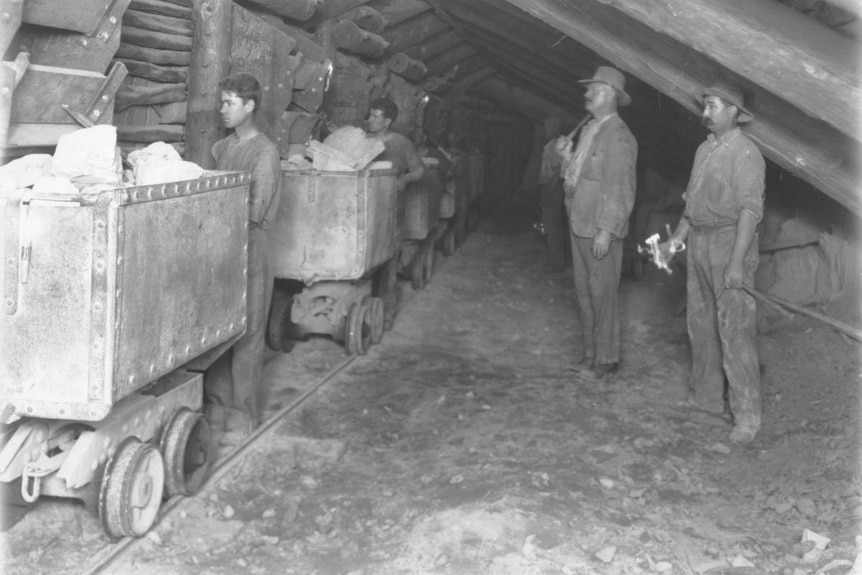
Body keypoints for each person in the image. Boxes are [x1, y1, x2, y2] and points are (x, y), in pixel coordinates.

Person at [660, 82, 765, 444]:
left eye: (713, 106)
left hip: (729, 242)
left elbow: (750, 212)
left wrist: (736, 263)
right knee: (701, 324)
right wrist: (675, 243)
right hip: (701, 242)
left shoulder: (746, 153)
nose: (705, 113)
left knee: (735, 331)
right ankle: (706, 400)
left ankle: (747, 417)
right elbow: (692, 206)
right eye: (704, 106)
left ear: (733, 111)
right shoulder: (703, 150)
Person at [205, 73, 282, 440]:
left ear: (250, 106)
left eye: (230, 103)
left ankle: (243, 415)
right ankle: (217, 408)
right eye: (222, 102)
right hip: (224, 246)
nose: (222, 109)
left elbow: (255, 209)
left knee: (249, 332)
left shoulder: (264, 152)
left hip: (251, 245)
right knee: (220, 330)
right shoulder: (223, 149)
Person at [555, 66, 637, 378]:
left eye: (594, 90)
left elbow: (620, 186)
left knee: (602, 297)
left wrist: (606, 230)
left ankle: (604, 360)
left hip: (599, 230)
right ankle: (590, 355)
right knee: (585, 293)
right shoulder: (593, 128)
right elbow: (581, 179)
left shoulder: (618, 136)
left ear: (610, 95)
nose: (587, 95)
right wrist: (567, 157)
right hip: (581, 223)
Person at [367, 98, 425, 192]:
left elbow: (420, 170)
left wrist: (405, 179)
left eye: (374, 116)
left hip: (390, 197)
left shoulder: (401, 142)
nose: (369, 120)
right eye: (370, 115)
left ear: (387, 122)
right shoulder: (364, 139)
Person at [536, 116, 568, 271]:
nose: (545, 129)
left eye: (547, 126)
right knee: (551, 225)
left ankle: (557, 264)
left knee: (553, 226)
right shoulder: (550, 145)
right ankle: (555, 261)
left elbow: (556, 172)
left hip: (552, 189)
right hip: (550, 188)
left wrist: (548, 193)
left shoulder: (554, 146)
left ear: (554, 128)